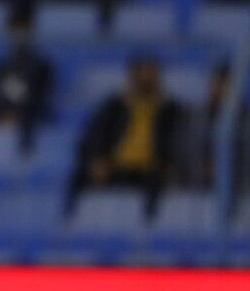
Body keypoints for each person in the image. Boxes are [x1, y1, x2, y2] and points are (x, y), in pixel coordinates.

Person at [73, 54, 187, 211]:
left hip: (150, 169)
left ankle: (148, 226)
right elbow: (92, 137)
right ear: (132, 77)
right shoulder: (114, 107)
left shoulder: (170, 110)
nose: (146, 78)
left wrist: (170, 163)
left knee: (159, 184)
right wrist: (96, 160)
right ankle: (67, 223)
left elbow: (179, 142)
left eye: (151, 74)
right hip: (116, 167)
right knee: (77, 177)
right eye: (142, 74)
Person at [0, 2, 54, 147]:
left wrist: (19, 116)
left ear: (31, 30)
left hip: (31, 126)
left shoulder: (42, 67)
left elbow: (41, 100)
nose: (18, 34)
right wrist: (2, 115)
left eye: (23, 28)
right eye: (15, 28)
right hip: (0, 123)